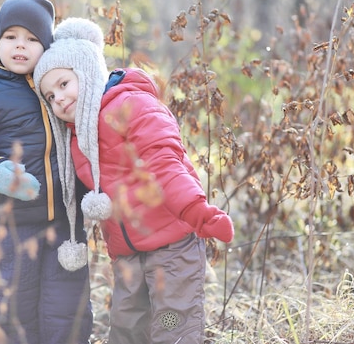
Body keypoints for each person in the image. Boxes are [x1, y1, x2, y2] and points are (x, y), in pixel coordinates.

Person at [33, 17, 234, 344]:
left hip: (172, 244)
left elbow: (164, 162)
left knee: (171, 325)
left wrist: (197, 211)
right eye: (50, 96)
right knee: (127, 328)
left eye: (64, 84)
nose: (59, 99)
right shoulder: (77, 137)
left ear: (85, 71)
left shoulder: (131, 105)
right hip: (128, 252)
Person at [0, 0, 92, 344]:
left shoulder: (56, 84)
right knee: (17, 306)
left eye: (32, 39)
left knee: (67, 306)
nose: (20, 46)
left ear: (46, 45)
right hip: (13, 223)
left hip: (64, 221)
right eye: (11, 36)